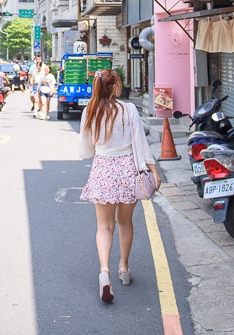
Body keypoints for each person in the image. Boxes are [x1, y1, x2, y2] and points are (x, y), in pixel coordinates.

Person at [78, 69, 159, 303]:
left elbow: (85, 149)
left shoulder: (90, 111)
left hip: (102, 168)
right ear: (114, 88)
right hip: (127, 170)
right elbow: (140, 143)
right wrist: (153, 169)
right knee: (125, 222)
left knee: (104, 227)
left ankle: (105, 271)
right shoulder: (128, 109)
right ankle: (124, 268)